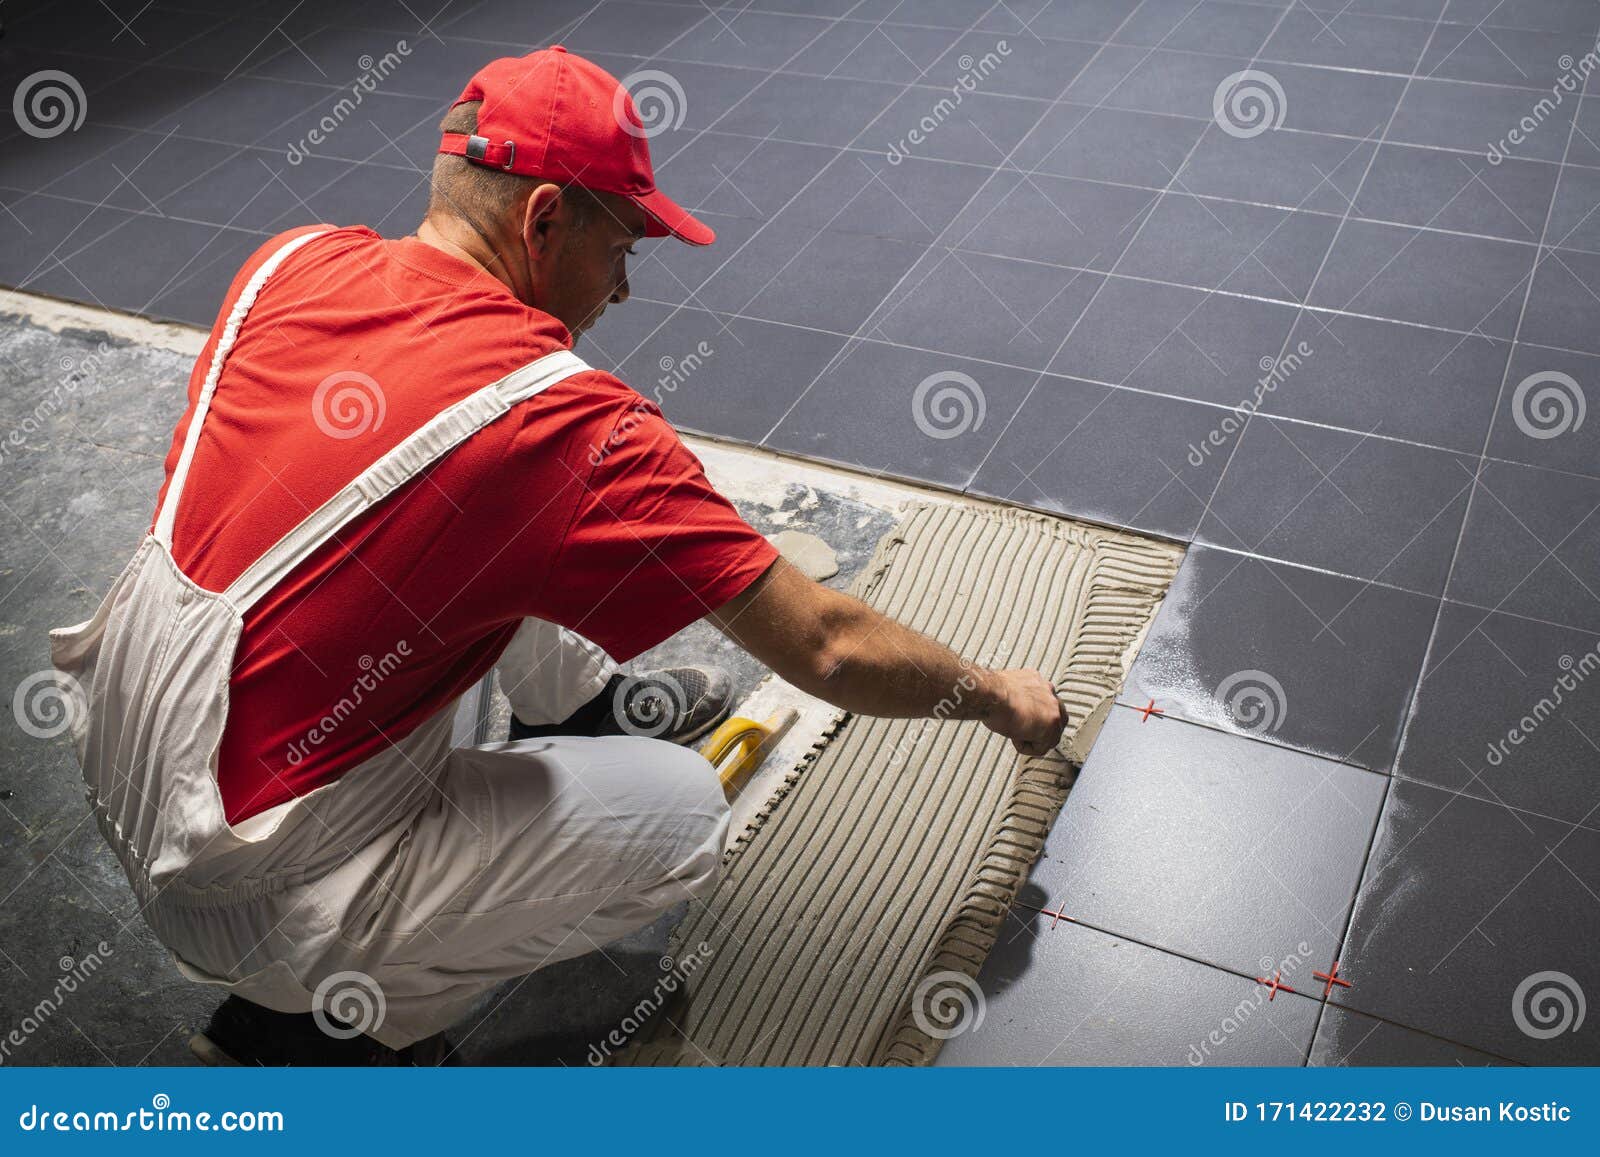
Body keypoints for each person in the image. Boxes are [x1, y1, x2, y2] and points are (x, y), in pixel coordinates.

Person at [48, 46, 1065, 1067]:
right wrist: (995, 694)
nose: (623, 288)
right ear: (542, 221)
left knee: (495, 511)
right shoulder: (567, 425)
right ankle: (333, 1026)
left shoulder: (292, 261)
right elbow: (831, 648)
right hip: (255, 878)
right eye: (624, 245)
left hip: (132, 763)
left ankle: (569, 708)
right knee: (680, 815)